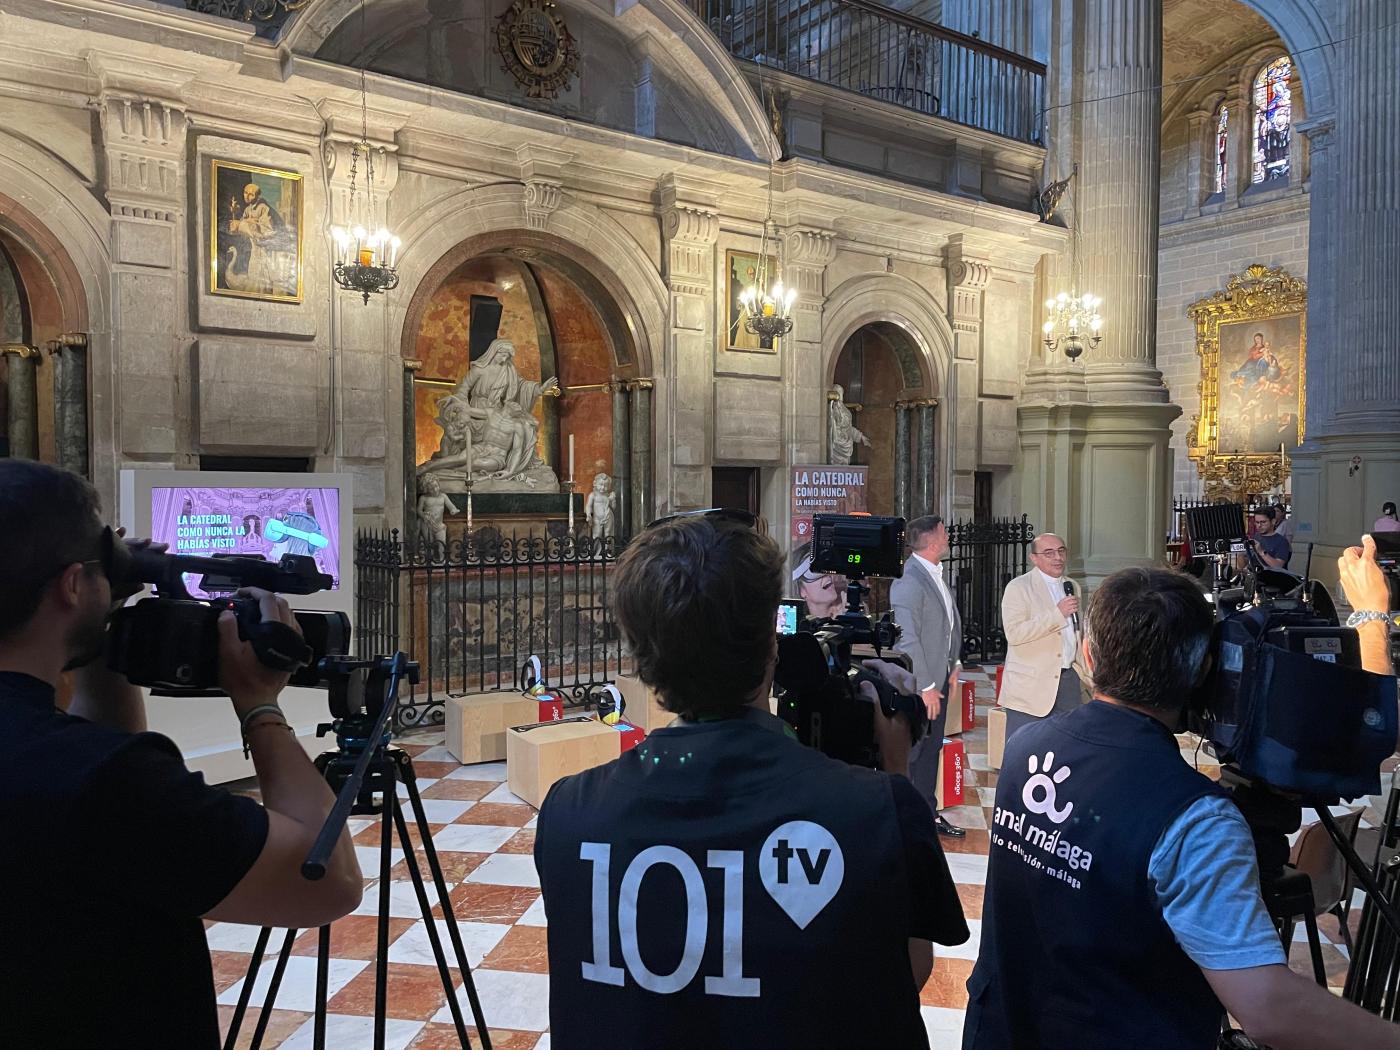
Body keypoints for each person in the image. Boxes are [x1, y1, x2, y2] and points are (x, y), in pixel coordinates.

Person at [535, 512, 969, 1049]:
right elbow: (907, 971)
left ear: (642, 659)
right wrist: (896, 770)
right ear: (772, 645)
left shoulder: (568, 813)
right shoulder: (875, 811)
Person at [0, 462, 363, 1048]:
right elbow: (325, 879)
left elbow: (99, 801)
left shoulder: (76, 769)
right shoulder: (106, 782)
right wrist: (259, 705)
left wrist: (97, 639)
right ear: (71, 586)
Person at [962, 565, 1400, 1050]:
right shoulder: (1194, 817)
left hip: (1004, 1030)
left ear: (1088, 652)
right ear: (1203, 670)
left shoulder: (1026, 745)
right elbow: (1268, 1010)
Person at [890, 515, 965, 837]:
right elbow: (907, 638)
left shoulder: (934, 574)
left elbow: (947, 626)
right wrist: (927, 687)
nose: (948, 535)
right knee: (916, 751)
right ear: (932, 540)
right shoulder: (909, 579)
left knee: (932, 748)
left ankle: (927, 814)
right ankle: (905, 819)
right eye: (944, 531)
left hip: (942, 675)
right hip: (924, 686)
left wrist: (956, 661)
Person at [996, 533, 1088, 742]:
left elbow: (1075, 633)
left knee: (1067, 751)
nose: (1058, 558)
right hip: (1031, 685)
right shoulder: (1019, 587)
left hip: (1067, 682)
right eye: (1049, 553)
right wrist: (1057, 614)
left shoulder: (1072, 586)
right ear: (1034, 558)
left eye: (1061, 551)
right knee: (1025, 752)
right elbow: (1015, 633)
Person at [1250, 505, 1291, 569]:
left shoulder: (1282, 541)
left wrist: (1262, 552)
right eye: (1257, 522)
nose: (1259, 525)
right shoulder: (1256, 536)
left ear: (1273, 521)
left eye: (1263, 522)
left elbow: (1279, 566)